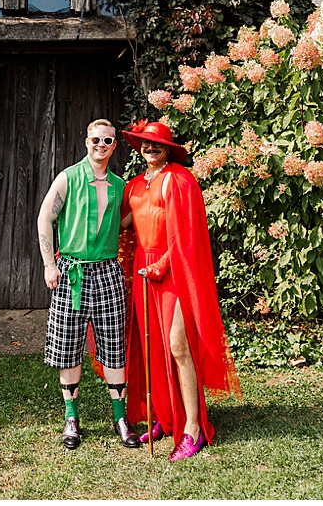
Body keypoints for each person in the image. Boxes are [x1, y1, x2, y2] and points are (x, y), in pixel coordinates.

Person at [120, 119, 239, 461]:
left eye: (157, 144)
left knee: (178, 345)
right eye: (145, 144)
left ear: (168, 149)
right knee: (152, 347)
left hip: (174, 269)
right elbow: (123, 223)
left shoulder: (179, 179)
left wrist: (163, 264)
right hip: (144, 268)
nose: (151, 148)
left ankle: (193, 429)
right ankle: (166, 417)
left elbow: (186, 235)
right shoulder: (135, 185)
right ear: (139, 148)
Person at [36, 119, 141, 450]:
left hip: (108, 270)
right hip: (72, 272)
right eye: (96, 139)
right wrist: (49, 265)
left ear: (113, 145)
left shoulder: (119, 184)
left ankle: (121, 418)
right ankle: (71, 418)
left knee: (114, 346)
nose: (101, 144)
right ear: (86, 141)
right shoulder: (68, 178)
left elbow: (125, 220)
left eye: (108, 140)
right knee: (68, 347)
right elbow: (45, 218)